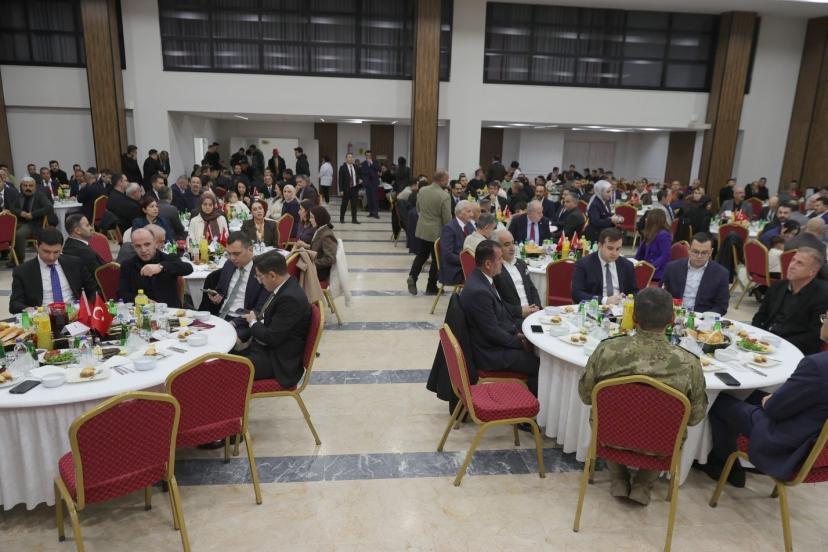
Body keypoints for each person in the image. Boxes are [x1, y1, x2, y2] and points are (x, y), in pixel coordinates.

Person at [579, 287, 707, 505]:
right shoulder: (689, 363)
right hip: (660, 445)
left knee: (606, 416)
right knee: (670, 427)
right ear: (672, 319)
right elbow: (695, 417)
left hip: (610, 437)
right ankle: (643, 484)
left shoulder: (607, 350)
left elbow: (586, 395)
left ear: (634, 317)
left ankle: (618, 477)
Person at [703, 312, 828, 488]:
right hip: (817, 440)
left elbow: (774, 409)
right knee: (754, 394)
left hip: (791, 441)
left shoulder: (817, 365)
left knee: (719, 401)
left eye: (825, 317)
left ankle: (723, 465)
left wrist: (771, 401)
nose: (822, 322)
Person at [459, 240, 539, 394]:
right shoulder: (479, 292)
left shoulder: (481, 278)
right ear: (488, 264)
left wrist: (517, 333)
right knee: (537, 362)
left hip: (491, 343)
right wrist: (519, 342)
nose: (502, 262)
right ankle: (527, 405)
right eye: (500, 258)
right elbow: (492, 333)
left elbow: (498, 314)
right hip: (489, 354)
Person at [238, 251, 312, 383]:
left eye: (260, 277)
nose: (259, 282)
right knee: (226, 356)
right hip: (267, 348)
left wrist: (253, 322)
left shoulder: (290, 299)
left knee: (226, 368)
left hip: (278, 361)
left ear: (272, 275)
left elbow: (271, 338)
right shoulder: (284, 287)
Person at [751, 247, 828, 355]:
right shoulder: (778, 286)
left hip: (793, 349)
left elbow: (814, 336)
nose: (792, 266)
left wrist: (778, 345)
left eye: (800, 263)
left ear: (813, 271)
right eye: (793, 260)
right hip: (765, 340)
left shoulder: (823, 296)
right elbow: (760, 315)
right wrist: (757, 336)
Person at [9, 229, 98, 314]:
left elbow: (93, 289)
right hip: (42, 318)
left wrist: (87, 307)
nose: (51, 257)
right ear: (37, 245)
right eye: (46, 252)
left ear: (61, 248)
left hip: (74, 314)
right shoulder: (23, 271)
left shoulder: (75, 263)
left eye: (56, 252)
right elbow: (14, 304)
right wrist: (32, 310)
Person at [204, 232, 269, 339]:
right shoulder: (229, 265)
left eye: (236, 254)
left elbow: (259, 309)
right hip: (220, 315)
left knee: (220, 340)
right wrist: (217, 297)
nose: (232, 258)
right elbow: (220, 291)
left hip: (244, 321)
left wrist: (234, 323)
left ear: (250, 250)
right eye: (229, 254)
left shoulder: (262, 271)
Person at [117, 228, 193, 307]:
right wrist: (142, 300)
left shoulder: (169, 258)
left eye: (147, 244)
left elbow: (188, 268)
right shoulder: (127, 265)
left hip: (169, 310)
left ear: (155, 243)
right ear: (133, 247)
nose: (143, 250)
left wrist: (161, 266)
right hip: (141, 310)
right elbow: (122, 293)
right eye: (138, 246)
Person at [661, 233, 730, 315]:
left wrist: (705, 317)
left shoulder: (721, 274)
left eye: (704, 253)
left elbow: (722, 306)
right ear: (689, 249)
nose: (699, 256)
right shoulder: (672, 268)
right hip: (674, 314)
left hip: (702, 317)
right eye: (695, 252)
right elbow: (661, 295)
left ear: (711, 252)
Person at [407, 170, 452, 295]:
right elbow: (447, 218)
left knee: (422, 255)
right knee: (436, 259)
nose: (448, 182)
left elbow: (418, 208)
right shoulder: (444, 196)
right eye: (447, 180)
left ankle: (412, 276)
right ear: (442, 180)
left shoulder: (422, 190)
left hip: (422, 229)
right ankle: (431, 286)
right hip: (436, 232)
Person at [572, 227, 638, 304]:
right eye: (610, 248)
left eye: (618, 249)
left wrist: (627, 299)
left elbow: (634, 292)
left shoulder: (627, 265)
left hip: (620, 307)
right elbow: (577, 294)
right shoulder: (584, 264)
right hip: (596, 307)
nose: (614, 253)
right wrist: (605, 300)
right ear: (600, 246)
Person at [493, 229, 541, 319]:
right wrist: (520, 311)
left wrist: (536, 307)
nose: (512, 248)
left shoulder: (521, 263)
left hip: (533, 313)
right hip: (513, 318)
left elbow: (532, 288)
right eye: (507, 244)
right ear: (496, 248)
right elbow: (497, 302)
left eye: (513, 243)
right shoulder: (495, 269)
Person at [10, 177, 55, 265]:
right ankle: (9, 256)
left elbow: (49, 208)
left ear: (35, 187)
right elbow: (12, 208)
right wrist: (20, 213)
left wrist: (32, 214)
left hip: (33, 224)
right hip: (18, 222)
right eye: (25, 185)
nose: (28, 188)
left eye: (31, 186)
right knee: (6, 231)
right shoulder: (19, 196)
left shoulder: (40, 196)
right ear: (21, 187)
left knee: (19, 234)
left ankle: (19, 259)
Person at [296, 206, 338, 282]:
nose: (310, 219)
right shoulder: (319, 230)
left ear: (319, 218)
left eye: (312, 217)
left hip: (319, 273)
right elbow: (317, 248)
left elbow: (330, 259)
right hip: (314, 268)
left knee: (294, 273)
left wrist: (311, 264)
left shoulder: (327, 235)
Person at [439, 200, 475, 287]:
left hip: (465, 265)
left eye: (471, 211)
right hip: (454, 269)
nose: (472, 214)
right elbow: (448, 255)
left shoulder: (469, 225)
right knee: (482, 276)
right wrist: (467, 261)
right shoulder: (449, 229)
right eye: (469, 211)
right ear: (459, 213)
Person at [635, 208, 672, 281]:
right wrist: (634, 263)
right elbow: (641, 253)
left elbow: (665, 256)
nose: (645, 220)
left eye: (647, 218)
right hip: (647, 267)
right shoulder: (651, 233)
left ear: (653, 220)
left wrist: (650, 267)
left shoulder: (663, 235)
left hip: (657, 272)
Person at [338, 152, 361, 224]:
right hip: (346, 189)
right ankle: (342, 218)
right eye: (349, 157)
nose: (351, 158)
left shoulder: (356, 167)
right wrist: (341, 190)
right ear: (346, 159)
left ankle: (354, 219)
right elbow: (340, 180)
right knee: (344, 205)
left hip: (354, 189)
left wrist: (359, 179)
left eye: (351, 157)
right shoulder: (342, 168)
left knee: (354, 205)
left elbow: (359, 175)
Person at [361, 150, 380, 219]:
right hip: (367, 183)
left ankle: (376, 213)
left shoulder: (375, 162)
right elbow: (363, 172)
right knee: (369, 199)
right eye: (367, 155)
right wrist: (369, 171)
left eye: (369, 155)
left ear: (371, 155)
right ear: (365, 156)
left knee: (375, 198)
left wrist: (371, 164)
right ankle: (371, 212)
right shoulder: (363, 163)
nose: (368, 156)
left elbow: (378, 169)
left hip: (374, 183)